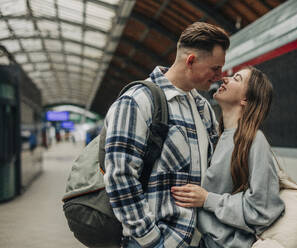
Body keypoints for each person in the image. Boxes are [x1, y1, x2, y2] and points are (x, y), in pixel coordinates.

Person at [104, 22, 230, 248]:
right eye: (215, 69)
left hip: (200, 240)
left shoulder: (203, 108)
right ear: (191, 61)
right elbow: (120, 176)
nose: (220, 76)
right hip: (158, 241)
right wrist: (150, 239)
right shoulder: (137, 101)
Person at [171, 66, 285, 248]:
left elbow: (263, 209)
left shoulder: (254, 141)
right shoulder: (214, 137)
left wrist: (207, 199)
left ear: (245, 99)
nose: (225, 79)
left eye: (236, 78)